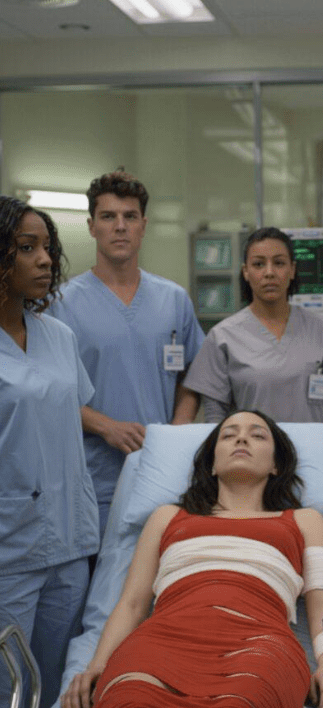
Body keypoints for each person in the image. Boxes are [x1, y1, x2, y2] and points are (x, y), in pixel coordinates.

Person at [61, 410, 323, 708]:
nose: (241, 439)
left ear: (276, 465)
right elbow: (132, 604)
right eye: (229, 435)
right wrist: (97, 664)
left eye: (257, 435)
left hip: (258, 644)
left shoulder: (304, 521)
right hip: (162, 641)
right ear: (210, 463)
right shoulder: (168, 517)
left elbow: (322, 609)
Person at [49, 170, 204, 538]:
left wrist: (177, 431)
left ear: (143, 225)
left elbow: (194, 375)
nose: (120, 226)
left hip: (161, 472)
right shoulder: (61, 305)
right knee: (99, 569)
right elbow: (49, 393)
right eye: (108, 216)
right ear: (91, 226)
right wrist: (106, 426)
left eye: (130, 216)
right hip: (94, 477)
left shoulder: (173, 300)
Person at [0, 197, 98, 708]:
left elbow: (68, 416)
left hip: (69, 541)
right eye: (26, 248)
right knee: (7, 693)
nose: (44, 260)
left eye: (47, 248)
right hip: (9, 548)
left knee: (57, 694)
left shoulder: (59, 337)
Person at [181, 227, 323, 423]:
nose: (269, 272)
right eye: (258, 264)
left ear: (292, 270)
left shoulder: (321, 329)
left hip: (312, 442)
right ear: (246, 272)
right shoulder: (222, 336)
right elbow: (215, 416)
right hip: (252, 442)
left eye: (279, 263)